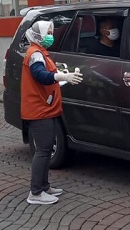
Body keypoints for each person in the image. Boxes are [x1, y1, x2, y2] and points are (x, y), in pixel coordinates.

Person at [21, 20, 83, 205]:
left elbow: (47, 77)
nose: (51, 35)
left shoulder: (40, 52)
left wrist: (62, 78)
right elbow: (40, 75)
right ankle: (36, 192)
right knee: (43, 150)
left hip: (45, 108)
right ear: (38, 35)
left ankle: (43, 186)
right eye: (47, 32)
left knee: (46, 149)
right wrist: (63, 76)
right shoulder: (35, 54)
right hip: (39, 110)